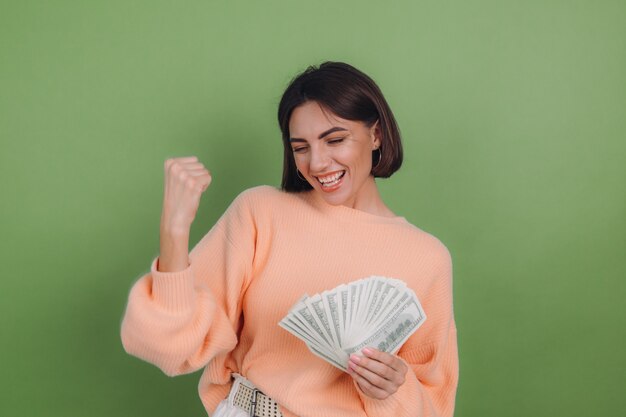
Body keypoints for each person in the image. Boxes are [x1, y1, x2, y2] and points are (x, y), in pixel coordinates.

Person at [120, 61, 458, 417]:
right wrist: (174, 232)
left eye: (335, 140)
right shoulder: (260, 212)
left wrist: (392, 389)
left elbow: (433, 408)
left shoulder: (426, 258)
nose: (318, 163)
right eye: (301, 147)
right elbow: (170, 349)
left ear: (376, 135)